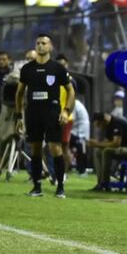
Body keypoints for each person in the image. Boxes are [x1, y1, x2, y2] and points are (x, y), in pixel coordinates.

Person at [15, 34, 75, 198]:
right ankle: (36, 187)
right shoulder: (27, 69)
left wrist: (66, 111)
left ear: (51, 47)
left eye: (44, 43)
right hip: (33, 112)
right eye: (38, 43)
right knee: (34, 148)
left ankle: (60, 187)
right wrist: (19, 116)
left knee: (54, 147)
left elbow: (71, 90)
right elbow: (19, 93)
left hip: (51, 112)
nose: (40, 46)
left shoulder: (57, 68)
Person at [87, 112, 127, 191]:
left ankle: (105, 183)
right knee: (98, 151)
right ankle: (100, 182)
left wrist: (97, 144)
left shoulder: (116, 123)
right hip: (121, 148)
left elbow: (116, 143)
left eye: (99, 125)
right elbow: (108, 142)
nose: (99, 128)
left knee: (107, 151)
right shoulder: (108, 125)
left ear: (103, 121)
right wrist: (96, 143)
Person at [55, 54, 78, 175]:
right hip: (54, 116)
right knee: (55, 145)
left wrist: (67, 114)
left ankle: (65, 172)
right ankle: (58, 172)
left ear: (67, 65)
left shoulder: (70, 81)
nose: (61, 67)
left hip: (66, 118)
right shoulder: (54, 79)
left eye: (63, 65)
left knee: (64, 146)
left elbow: (73, 100)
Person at [70, 98, 91, 175]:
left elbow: (71, 119)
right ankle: (81, 169)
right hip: (79, 130)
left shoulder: (74, 104)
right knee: (81, 150)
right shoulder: (76, 103)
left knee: (80, 150)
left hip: (80, 131)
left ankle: (82, 170)